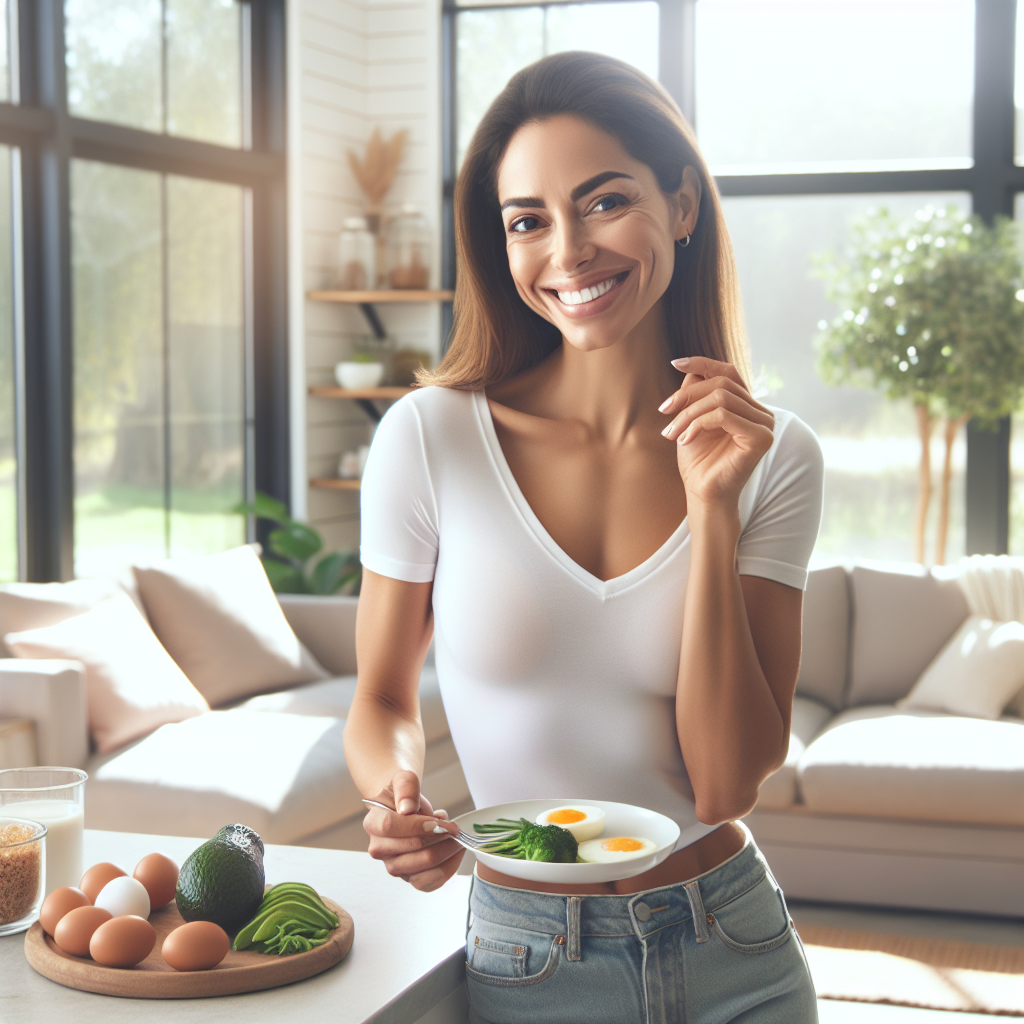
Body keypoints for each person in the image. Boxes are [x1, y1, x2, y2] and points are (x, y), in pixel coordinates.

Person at [343, 51, 823, 1024]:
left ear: (681, 204)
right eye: (528, 220)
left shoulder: (773, 454)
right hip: (529, 956)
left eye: (604, 202)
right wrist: (395, 793)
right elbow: (382, 696)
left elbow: (724, 782)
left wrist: (711, 505)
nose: (567, 251)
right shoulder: (430, 439)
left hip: (736, 945)